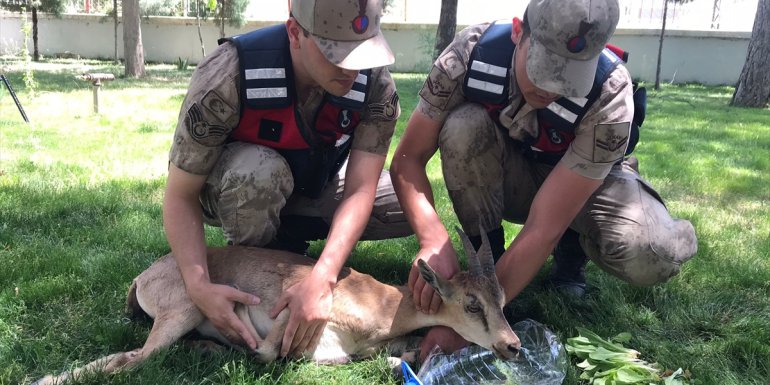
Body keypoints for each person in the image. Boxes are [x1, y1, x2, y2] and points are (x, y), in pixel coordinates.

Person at [390, 0, 697, 358]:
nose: (552, 87)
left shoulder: (610, 93)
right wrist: (433, 239)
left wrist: (475, 319)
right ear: (519, 31)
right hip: (515, 170)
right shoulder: (470, 54)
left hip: (586, 187)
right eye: (545, 66)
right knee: (462, 128)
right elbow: (408, 160)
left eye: (570, 75)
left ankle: (581, 253)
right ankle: (487, 264)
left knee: (648, 252)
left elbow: (544, 224)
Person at [163, 0, 411, 359]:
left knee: (405, 202)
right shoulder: (229, 74)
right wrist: (197, 284)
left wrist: (324, 277)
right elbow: (179, 194)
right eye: (337, 53)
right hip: (242, 185)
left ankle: (293, 233)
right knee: (261, 173)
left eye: (363, 52)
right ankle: (256, 279)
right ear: (295, 32)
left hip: (316, 181)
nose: (353, 70)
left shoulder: (375, 84)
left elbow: (360, 188)